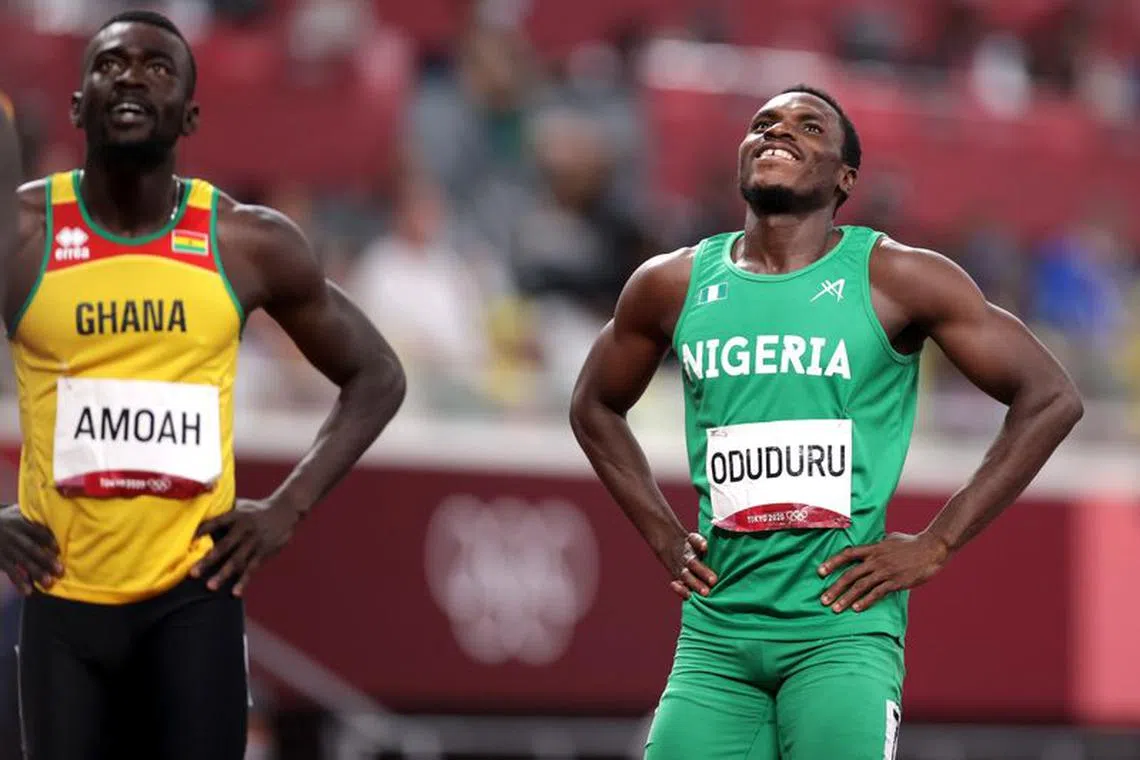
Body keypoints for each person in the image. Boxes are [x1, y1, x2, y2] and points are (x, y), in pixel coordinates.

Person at [569, 85, 1083, 760]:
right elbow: (593, 405)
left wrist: (938, 542)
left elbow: (1050, 397)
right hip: (717, 637)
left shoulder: (897, 277)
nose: (778, 132)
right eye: (763, 124)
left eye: (808, 126)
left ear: (845, 178)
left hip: (839, 632)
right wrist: (664, 534)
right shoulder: (672, 283)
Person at [0, 11, 406, 759]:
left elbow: (377, 376)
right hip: (63, 600)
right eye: (110, 64)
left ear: (189, 113)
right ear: (77, 104)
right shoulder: (22, 233)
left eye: (157, 68)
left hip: (193, 604)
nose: (130, 76)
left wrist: (289, 508)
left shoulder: (244, 243)